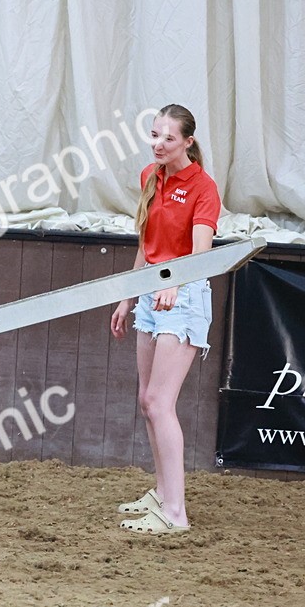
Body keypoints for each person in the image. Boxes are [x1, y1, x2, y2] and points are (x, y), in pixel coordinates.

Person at [110, 104, 220, 535]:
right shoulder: (150, 176)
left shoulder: (203, 187)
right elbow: (147, 242)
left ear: (188, 143)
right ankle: (161, 495)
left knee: (160, 402)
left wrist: (176, 281)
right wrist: (127, 296)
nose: (158, 144)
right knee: (146, 401)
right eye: (154, 135)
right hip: (153, 292)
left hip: (185, 294)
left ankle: (176, 512)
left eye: (168, 138)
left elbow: (201, 250)